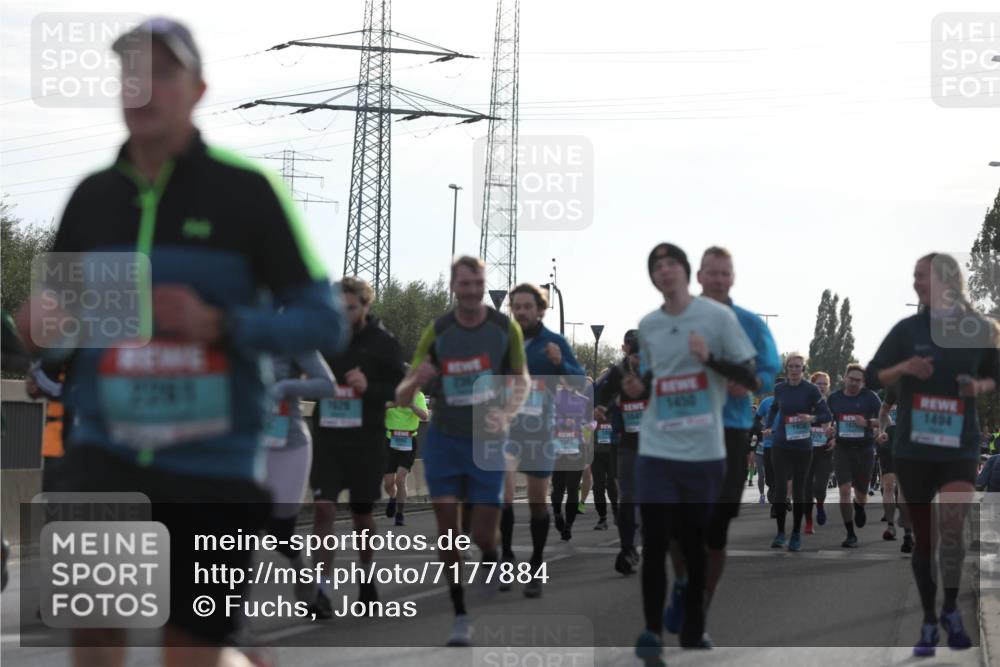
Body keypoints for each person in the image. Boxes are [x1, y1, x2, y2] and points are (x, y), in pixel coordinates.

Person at [14, 17, 348, 667]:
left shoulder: (246, 193)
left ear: (197, 90)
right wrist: (40, 329)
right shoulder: (93, 198)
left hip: (213, 461)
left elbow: (323, 320)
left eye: (163, 73)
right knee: (97, 631)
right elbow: (62, 334)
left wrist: (222, 325)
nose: (144, 87)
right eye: (131, 72)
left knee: (188, 650)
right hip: (105, 452)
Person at [628, 243, 758, 662]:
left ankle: (694, 624)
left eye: (672, 264)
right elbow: (656, 380)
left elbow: (750, 376)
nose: (665, 271)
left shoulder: (718, 318)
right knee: (655, 539)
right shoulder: (648, 325)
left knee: (695, 542)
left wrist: (709, 358)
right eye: (657, 266)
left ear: (687, 272)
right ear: (652, 277)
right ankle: (651, 633)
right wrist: (638, 389)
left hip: (704, 451)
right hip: (656, 448)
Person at [866, 253, 999, 657]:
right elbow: (873, 375)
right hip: (914, 448)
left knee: (954, 528)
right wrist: (903, 368)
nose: (915, 283)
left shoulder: (978, 329)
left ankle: (950, 609)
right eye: (914, 276)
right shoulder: (907, 330)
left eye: (921, 276)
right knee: (925, 538)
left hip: (959, 444)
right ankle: (928, 620)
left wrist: (977, 388)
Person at [395, 256, 530, 646]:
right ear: (454, 286)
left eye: (478, 284)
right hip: (445, 439)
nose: (472, 291)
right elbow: (403, 393)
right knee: (448, 531)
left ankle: (491, 557)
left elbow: (521, 381)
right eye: (464, 284)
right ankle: (460, 614)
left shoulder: (504, 328)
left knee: (484, 533)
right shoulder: (438, 331)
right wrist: (416, 381)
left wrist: (507, 412)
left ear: (484, 285)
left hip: (487, 438)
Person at [662, 246, 780, 632]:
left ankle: (701, 610)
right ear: (698, 277)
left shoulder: (748, 322)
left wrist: (749, 382)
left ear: (732, 278)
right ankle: (683, 584)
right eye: (711, 273)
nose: (718, 280)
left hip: (729, 431)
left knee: (715, 533)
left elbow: (769, 368)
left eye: (724, 273)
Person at [308, 277, 406, 616]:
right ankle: (322, 590)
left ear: (365, 306)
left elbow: (401, 392)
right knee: (323, 509)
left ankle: (366, 578)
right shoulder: (324, 339)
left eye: (350, 307)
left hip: (366, 441)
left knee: (361, 513)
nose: (343, 314)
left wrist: (369, 388)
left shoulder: (383, 343)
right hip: (328, 438)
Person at [500, 282, 584, 596]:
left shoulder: (554, 342)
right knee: (503, 495)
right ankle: (506, 558)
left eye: (527, 306)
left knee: (537, 501)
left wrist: (559, 362)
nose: (521, 312)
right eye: (517, 306)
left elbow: (578, 383)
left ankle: (535, 564)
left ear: (540, 309)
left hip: (539, 430)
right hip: (507, 429)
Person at [262, 350, 334, 604]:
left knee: (279, 532)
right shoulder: (231, 333)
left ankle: (300, 569)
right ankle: (231, 614)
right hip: (244, 444)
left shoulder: (293, 338)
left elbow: (327, 385)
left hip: (287, 443)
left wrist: (284, 387)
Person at [765, 353, 832, 551]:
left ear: (803, 369)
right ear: (787, 368)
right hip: (781, 444)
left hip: (802, 446)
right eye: (791, 366)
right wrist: (769, 426)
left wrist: (811, 418)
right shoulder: (780, 389)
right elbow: (774, 408)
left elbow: (826, 414)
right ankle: (780, 533)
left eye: (798, 366)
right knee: (780, 488)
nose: (794, 369)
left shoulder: (810, 389)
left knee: (799, 490)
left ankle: (795, 534)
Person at [595, 330, 647, 575]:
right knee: (626, 495)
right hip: (627, 440)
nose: (639, 362)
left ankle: (641, 538)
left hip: (656, 444)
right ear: (629, 354)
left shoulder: (657, 371)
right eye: (636, 357)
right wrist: (600, 407)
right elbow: (601, 392)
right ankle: (627, 548)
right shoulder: (618, 372)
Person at [827, 363, 883, 548]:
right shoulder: (834, 398)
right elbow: (827, 419)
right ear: (845, 378)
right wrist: (828, 429)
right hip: (842, 449)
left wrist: (867, 423)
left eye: (858, 381)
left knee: (861, 493)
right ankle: (850, 533)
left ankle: (859, 506)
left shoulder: (870, 397)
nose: (854, 383)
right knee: (844, 490)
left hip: (864, 450)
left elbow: (885, 419)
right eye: (851, 379)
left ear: (863, 382)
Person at [383, 380, 429, 527]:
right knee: (388, 483)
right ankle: (392, 496)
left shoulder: (418, 395)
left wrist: (411, 405)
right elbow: (376, 410)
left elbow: (425, 416)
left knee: (400, 479)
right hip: (390, 441)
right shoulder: (390, 394)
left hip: (408, 441)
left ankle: (400, 514)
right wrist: (392, 404)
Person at [591, 367, 620, 531]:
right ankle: (602, 518)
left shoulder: (616, 403)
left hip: (612, 449)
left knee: (612, 485)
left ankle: (616, 512)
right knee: (598, 486)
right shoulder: (592, 405)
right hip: (596, 450)